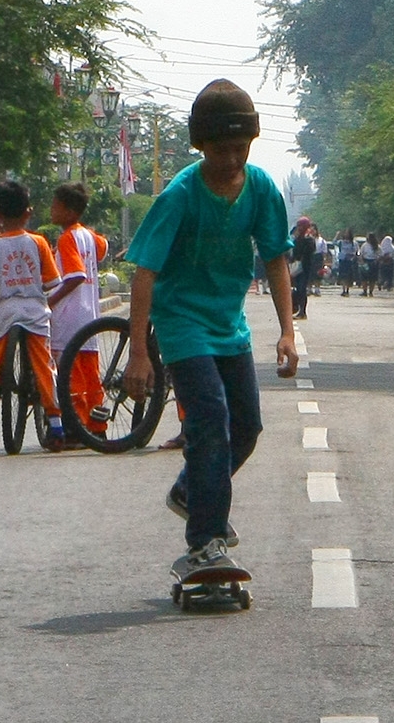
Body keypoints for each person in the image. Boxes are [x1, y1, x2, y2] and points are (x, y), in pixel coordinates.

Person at [123, 79, 297, 586]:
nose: (232, 160)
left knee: (247, 428)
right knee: (211, 420)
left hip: (229, 326)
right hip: (182, 325)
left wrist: (288, 332)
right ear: (201, 146)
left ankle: (189, 491)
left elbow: (276, 261)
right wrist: (139, 353)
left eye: (241, 149)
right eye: (222, 150)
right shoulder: (181, 195)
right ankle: (205, 541)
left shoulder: (260, 188)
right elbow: (145, 272)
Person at [0, 181, 68, 453]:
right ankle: (56, 425)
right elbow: (52, 282)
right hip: (34, 311)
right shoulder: (38, 242)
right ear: (28, 212)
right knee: (44, 366)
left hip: (3, 313)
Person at [48, 182, 109, 433]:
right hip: (89, 317)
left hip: (68, 317)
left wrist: (49, 301)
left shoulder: (66, 238)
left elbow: (75, 275)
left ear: (69, 211)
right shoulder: (89, 236)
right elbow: (103, 249)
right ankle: (97, 425)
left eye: (55, 206)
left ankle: (76, 426)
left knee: (70, 377)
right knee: (91, 377)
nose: (51, 210)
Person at [290, 217, 320, 320]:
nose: (299, 228)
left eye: (301, 225)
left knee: (302, 289)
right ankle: (297, 309)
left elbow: (309, 252)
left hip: (305, 267)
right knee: (298, 289)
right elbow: (293, 252)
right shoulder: (297, 238)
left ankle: (302, 312)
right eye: (298, 225)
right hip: (296, 268)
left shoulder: (309, 239)